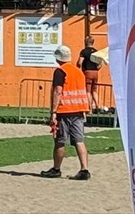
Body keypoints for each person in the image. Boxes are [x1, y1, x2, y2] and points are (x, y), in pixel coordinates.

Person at [41, 44, 91, 180]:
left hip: (64, 110)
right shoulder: (78, 71)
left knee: (60, 141)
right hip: (79, 110)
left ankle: (56, 169)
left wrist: (53, 112)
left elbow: (58, 91)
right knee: (79, 141)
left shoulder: (60, 71)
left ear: (58, 58)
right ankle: (84, 169)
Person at [77, 35, 102, 108]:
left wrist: (78, 67)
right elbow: (100, 64)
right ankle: (97, 107)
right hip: (95, 72)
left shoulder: (84, 52)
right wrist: (96, 69)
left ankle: (90, 108)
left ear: (86, 42)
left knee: (88, 91)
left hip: (87, 72)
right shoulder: (96, 52)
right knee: (94, 90)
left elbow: (80, 63)